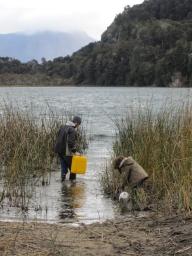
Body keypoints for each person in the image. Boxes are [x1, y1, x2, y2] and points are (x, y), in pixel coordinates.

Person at [54, 116, 81, 181]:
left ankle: (62, 181)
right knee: (73, 169)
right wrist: (75, 152)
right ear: (76, 123)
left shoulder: (63, 127)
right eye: (79, 125)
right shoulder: (72, 130)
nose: (78, 126)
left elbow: (58, 137)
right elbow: (70, 143)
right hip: (66, 152)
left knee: (63, 167)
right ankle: (72, 183)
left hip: (59, 150)